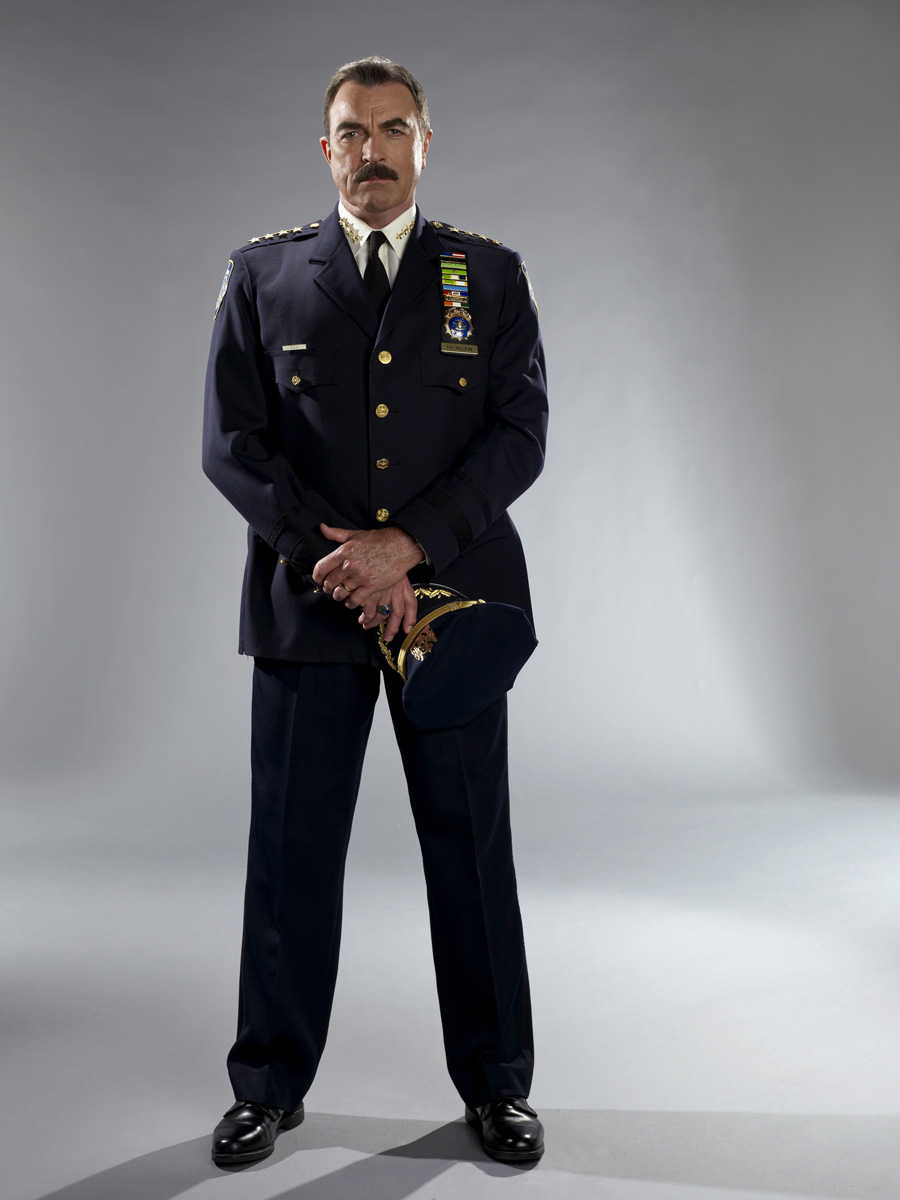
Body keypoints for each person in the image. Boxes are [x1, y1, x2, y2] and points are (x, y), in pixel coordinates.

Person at [202, 55, 548, 1167]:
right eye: (352, 132)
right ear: (326, 151)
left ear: (425, 145)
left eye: (394, 129)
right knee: (290, 855)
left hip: (452, 609)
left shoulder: (487, 275)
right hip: (312, 612)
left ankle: (496, 1087)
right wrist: (341, 561)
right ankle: (267, 1084)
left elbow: (519, 435)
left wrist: (411, 546)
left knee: (471, 853)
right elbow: (231, 445)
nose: (373, 151)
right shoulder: (265, 274)